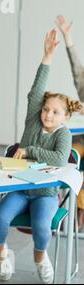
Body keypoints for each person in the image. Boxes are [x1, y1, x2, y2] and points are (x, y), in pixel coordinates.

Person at [0, 29, 83, 284]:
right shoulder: (33, 122)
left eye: (55, 112)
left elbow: (58, 159)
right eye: (46, 109)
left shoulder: (64, 135)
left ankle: (40, 257)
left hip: (45, 193)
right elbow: (36, 91)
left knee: (42, 227)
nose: (48, 115)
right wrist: (47, 57)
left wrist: (31, 150)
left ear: (66, 117)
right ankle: (2, 256)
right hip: (21, 188)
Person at [56, 15, 84, 231]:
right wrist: (67, 37)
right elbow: (76, 66)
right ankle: (54, 198)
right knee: (65, 154)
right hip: (80, 140)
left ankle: (79, 212)